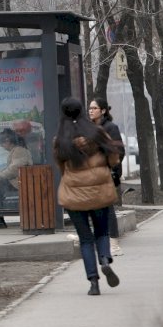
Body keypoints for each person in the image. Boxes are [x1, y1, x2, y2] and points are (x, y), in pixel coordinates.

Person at [54, 97, 122, 296]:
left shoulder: (60, 139)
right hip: (99, 191)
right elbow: (114, 156)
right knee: (102, 232)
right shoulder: (97, 133)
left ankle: (93, 283)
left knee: (85, 239)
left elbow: (61, 167)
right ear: (82, 111)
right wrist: (107, 167)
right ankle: (104, 259)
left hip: (74, 195)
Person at [89, 97, 126, 256]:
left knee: (107, 208)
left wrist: (110, 167)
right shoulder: (89, 128)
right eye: (90, 108)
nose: (91, 110)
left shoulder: (111, 127)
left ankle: (114, 243)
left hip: (107, 173)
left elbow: (119, 151)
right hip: (91, 174)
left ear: (103, 111)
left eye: (94, 108)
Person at [0, 128, 33, 208]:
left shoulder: (19, 150)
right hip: (20, 181)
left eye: (2, 144)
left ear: (7, 141)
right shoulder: (17, 150)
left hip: (20, 183)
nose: (2, 147)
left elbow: (14, 170)